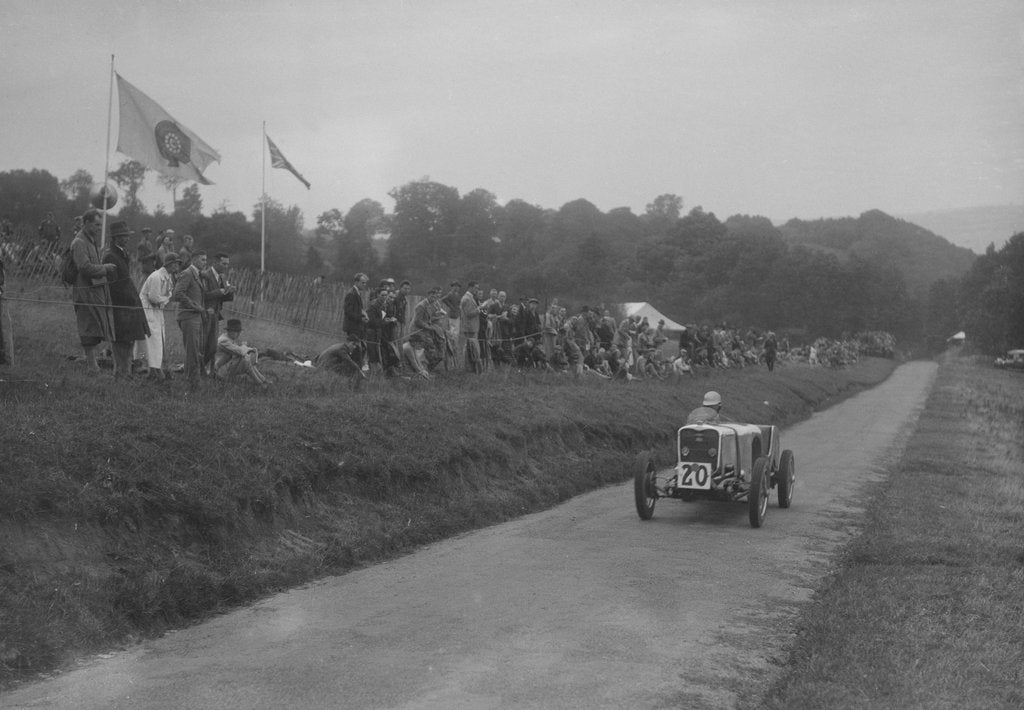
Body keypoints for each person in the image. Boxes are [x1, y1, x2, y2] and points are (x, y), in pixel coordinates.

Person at [70, 208, 117, 373]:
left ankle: (95, 362)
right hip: (84, 292)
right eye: (96, 224)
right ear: (87, 223)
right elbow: (84, 267)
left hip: (95, 291)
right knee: (87, 326)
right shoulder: (79, 243)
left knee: (96, 325)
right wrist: (105, 268)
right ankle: (92, 366)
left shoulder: (91, 241)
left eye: (100, 225)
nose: (99, 228)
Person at [103, 220, 151, 379]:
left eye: (127, 236)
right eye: (123, 236)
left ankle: (126, 371)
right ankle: (120, 372)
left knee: (130, 339)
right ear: (116, 238)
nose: (127, 238)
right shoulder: (111, 255)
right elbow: (113, 285)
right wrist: (128, 297)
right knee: (120, 340)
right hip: (120, 305)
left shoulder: (123, 254)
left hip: (130, 303)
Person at [139, 253, 181, 381]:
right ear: (167, 264)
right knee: (153, 341)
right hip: (148, 311)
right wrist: (166, 299)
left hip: (157, 311)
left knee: (159, 341)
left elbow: (167, 295)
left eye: (177, 263)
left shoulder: (168, 277)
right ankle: (154, 371)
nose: (176, 266)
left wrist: (165, 299)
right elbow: (154, 298)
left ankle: (156, 370)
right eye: (174, 263)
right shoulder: (157, 276)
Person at [172, 249, 209, 388]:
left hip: (195, 317)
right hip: (188, 316)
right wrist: (195, 306)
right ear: (194, 260)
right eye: (202, 260)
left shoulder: (198, 274)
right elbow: (178, 294)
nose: (205, 263)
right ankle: (194, 382)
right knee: (192, 350)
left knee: (193, 349)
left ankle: (190, 379)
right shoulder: (188, 273)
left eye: (206, 260)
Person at [201, 252, 235, 375]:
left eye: (227, 264)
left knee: (213, 347)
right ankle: (197, 369)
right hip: (205, 313)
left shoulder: (222, 276)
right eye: (223, 263)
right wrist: (219, 292)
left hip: (215, 314)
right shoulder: (205, 275)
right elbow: (202, 296)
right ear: (215, 263)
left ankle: (206, 370)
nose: (226, 266)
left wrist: (229, 292)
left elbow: (223, 297)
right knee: (203, 344)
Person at [215, 319, 268, 386]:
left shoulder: (228, 338)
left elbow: (237, 350)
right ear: (231, 332)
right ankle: (261, 383)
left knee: (246, 359)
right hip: (218, 371)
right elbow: (240, 351)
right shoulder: (224, 341)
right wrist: (245, 346)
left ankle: (263, 380)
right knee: (245, 361)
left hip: (223, 367)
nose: (238, 335)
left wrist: (246, 350)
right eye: (238, 332)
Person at [342, 272, 370, 371]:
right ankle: (350, 368)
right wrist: (360, 318)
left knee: (358, 348)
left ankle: (354, 368)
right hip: (352, 325)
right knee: (353, 348)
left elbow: (357, 309)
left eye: (365, 283)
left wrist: (363, 314)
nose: (364, 285)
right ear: (356, 282)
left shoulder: (357, 293)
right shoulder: (352, 294)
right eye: (363, 282)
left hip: (357, 325)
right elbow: (348, 311)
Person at [460, 281, 481, 373]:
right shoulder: (467, 298)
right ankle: (469, 368)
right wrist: (480, 309)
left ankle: (471, 367)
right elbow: (469, 313)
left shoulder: (470, 298)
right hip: (470, 327)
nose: (477, 290)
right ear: (470, 287)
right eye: (476, 288)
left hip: (472, 326)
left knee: (471, 348)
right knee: (471, 347)